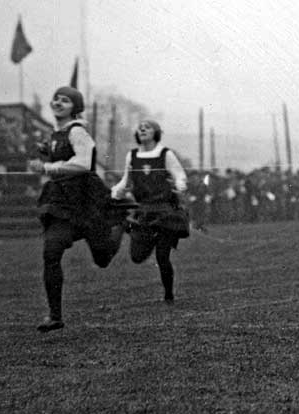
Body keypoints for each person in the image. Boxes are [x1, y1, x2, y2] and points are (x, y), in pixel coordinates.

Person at [27, 86, 128, 332]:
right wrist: (46, 155)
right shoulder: (56, 133)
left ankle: (121, 224)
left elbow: (83, 163)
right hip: (61, 204)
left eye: (65, 101)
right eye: (56, 99)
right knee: (51, 252)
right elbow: (62, 158)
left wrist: (48, 167)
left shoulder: (78, 132)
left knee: (102, 258)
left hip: (86, 202)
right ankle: (55, 316)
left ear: (75, 107)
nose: (58, 103)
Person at [110, 120, 190, 304]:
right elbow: (126, 180)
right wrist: (116, 192)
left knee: (162, 256)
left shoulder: (165, 154)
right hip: (144, 211)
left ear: (156, 132)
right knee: (137, 257)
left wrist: (180, 185)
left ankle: (168, 295)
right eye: (140, 127)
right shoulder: (132, 156)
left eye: (148, 127)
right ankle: (131, 229)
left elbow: (180, 175)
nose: (143, 129)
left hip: (165, 212)